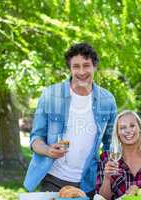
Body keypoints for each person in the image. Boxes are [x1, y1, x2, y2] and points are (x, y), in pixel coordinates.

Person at [23, 43, 117, 197]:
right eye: (76, 66)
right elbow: (35, 138)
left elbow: (110, 143)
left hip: (89, 181)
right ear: (70, 69)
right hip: (53, 178)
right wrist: (48, 150)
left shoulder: (107, 100)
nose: (81, 72)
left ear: (95, 67)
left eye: (86, 65)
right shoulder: (51, 95)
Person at [95, 110, 141, 200]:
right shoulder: (107, 158)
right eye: (122, 128)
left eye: (132, 126)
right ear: (117, 133)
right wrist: (107, 178)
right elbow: (102, 198)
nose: (128, 131)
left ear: (140, 129)